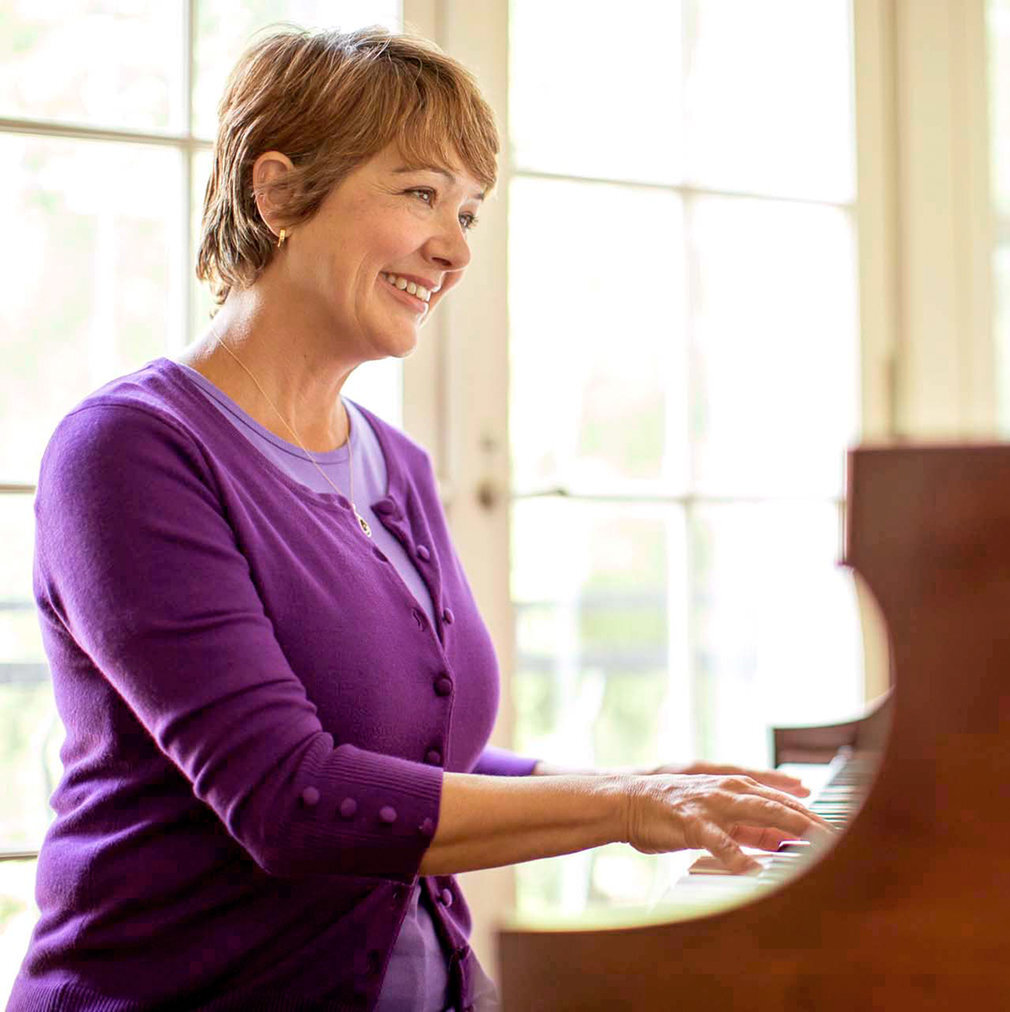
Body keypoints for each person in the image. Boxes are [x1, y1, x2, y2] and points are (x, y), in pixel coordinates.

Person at [7, 26, 827, 1011]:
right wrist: (627, 804)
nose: (456, 247)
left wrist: (647, 778)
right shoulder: (130, 451)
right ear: (276, 193)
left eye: (470, 210)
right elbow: (291, 799)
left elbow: (415, 761)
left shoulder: (395, 465)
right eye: (421, 194)